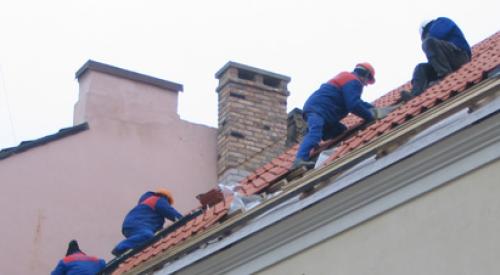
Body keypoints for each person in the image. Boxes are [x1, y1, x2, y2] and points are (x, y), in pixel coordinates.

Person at [292, 63, 380, 169]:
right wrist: (370, 116)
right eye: (368, 81)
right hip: (318, 110)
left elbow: (357, 101)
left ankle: (315, 142)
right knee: (315, 133)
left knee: (340, 130)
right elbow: (353, 104)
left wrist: (372, 107)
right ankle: (299, 160)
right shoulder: (353, 81)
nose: (366, 84)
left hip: (325, 114)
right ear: (365, 75)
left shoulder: (347, 78)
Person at [400, 17, 471, 102]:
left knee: (428, 42)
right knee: (420, 68)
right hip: (447, 63)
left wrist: (427, 40)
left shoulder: (442, 21)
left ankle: (444, 75)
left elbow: (437, 33)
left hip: (461, 57)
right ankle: (415, 95)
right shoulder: (433, 42)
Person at [112, 188, 183, 256]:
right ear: (166, 198)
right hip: (137, 224)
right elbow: (172, 213)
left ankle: (128, 252)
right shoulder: (158, 200)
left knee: (147, 240)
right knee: (147, 235)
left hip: (131, 226)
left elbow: (158, 230)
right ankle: (120, 248)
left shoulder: (149, 206)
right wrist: (184, 219)